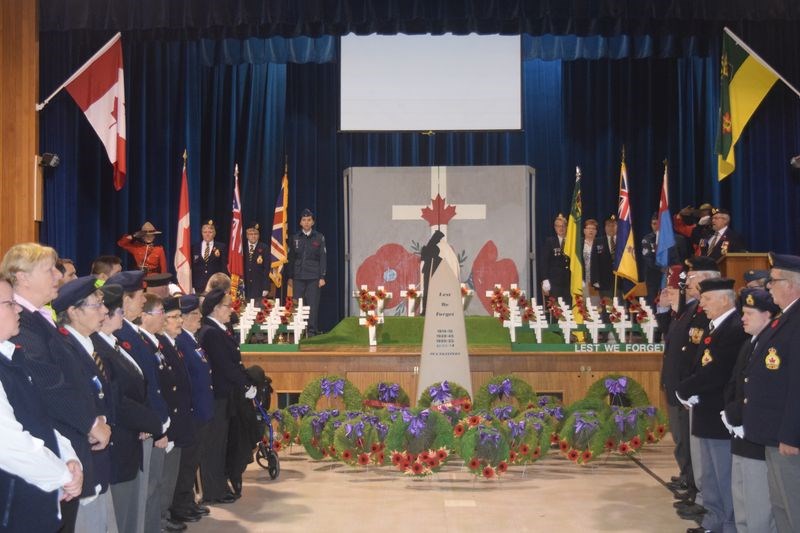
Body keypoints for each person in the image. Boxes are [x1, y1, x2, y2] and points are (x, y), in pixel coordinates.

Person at [1, 243, 110, 532]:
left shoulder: (36, 320)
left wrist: (69, 455)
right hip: (34, 473)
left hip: (57, 453)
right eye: (48, 270)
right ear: (23, 277)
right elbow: (51, 388)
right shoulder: (22, 326)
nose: (57, 276)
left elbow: (51, 398)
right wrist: (87, 425)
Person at [0, 276, 83, 533]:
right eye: (9, 303)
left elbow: (39, 420)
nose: (19, 309)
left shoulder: (12, 356)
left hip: (34, 502)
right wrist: (63, 475)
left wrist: (69, 457)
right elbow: (8, 444)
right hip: (13, 510)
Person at [677, 277, 747, 533]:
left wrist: (686, 388)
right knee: (710, 475)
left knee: (723, 475)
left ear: (725, 299)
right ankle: (713, 522)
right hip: (705, 409)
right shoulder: (714, 326)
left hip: (719, 412)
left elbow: (718, 371)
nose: (702, 303)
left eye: (707, 298)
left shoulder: (735, 328)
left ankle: (727, 526)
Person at [92, 283, 162, 533]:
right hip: (120, 440)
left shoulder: (113, 344)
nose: (124, 316)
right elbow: (117, 400)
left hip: (132, 436)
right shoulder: (99, 349)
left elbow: (140, 386)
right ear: (108, 316)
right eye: (119, 312)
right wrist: (151, 422)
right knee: (122, 514)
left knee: (133, 511)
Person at [51, 276, 114, 533]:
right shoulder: (65, 347)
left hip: (99, 457)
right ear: (73, 312)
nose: (105, 310)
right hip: (82, 456)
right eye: (96, 305)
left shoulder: (88, 344)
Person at [656, 256, 718, 520]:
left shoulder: (701, 313)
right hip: (678, 387)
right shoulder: (689, 310)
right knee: (682, 440)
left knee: (693, 446)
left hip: (688, 390)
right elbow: (671, 338)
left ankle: (694, 489)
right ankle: (690, 483)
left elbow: (693, 355)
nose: (686, 283)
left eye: (691, 278)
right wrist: (663, 308)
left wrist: (684, 387)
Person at [743, 253, 800, 532]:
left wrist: (792, 434)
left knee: (793, 504)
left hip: (787, 437)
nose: (768, 287)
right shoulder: (784, 319)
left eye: (773, 281)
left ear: (791, 285)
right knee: (780, 505)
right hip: (773, 431)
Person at [723, 288, 779, 533]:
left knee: (759, 510)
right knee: (742, 503)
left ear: (767, 314)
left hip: (757, 436)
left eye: (748, 313)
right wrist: (732, 412)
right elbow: (734, 383)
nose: (742, 318)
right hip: (739, 434)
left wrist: (742, 415)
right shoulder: (750, 344)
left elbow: (770, 393)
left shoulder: (773, 346)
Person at [196, 289, 256, 504]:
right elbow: (225, 366)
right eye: (227, 306)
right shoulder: (210, 333)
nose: (231, 310)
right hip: (218, 394)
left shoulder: (221, 329)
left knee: (222, 442)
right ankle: (213, 490)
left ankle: (219, 484)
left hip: (226, 394)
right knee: (214, 444)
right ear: (215, 309)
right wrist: (245, 384)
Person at [137, 294, 189, 532]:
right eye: (166, 315)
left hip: (170, 420)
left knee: (163, 480)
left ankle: (161, 517)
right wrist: (163, 424)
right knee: (155, 483)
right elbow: (154, 387)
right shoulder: (146, 344)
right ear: (145, 316)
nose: (179, 321)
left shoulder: (157, 343)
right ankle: (156, 521)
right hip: (160, 423)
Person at [157, 297, 198, 526]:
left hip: (181, 418)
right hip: (170, 422)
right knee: (165, 476)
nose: (179, 321)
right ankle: (163, 516)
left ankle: (167, 513)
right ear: (163, 321)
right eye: (174, 317)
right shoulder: (161, 345)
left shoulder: (172, 344)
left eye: (179, 316)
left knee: (173, 473)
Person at [171, 294, 213, 522]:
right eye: (194, 314)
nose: (199, 317)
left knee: (192, 460)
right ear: (184, 318)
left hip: (202, 410)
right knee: (186, 463)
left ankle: (188, 501)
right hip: (194, 411)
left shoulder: (192, 340)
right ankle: (182, 504)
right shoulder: (182, 342)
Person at [287, 209, 326, 336]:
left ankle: (312, 331)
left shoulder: (319, 237)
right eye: (304, 220)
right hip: (298, 276)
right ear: (300, 222)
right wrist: (290, 277)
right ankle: (299, 330)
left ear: (313, 222)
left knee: (312, 305)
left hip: (313, 277)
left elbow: (323, 258)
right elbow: (291, 258)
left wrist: (322, 276)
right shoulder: (295, 238)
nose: (306, 222)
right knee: (298, 304)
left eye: (309, 220)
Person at [540, 213, 570, 304]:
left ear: (567, 227)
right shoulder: (550, 242)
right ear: (555, 228)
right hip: (555, 282)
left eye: (563, 226)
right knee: (556, 310)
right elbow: (544, 262)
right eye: (558, 226)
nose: (561, 228)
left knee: (568, 310)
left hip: (569, 282)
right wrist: (545, 279)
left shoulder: (571, 241)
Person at [192, 220, 228, 294]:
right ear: (202, 233)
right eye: (205, 232)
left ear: (214, 233)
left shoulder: (221, 247)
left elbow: (223, 267)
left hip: (215, 286)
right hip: (199, 286)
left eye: (210, 232)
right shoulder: (194, 247)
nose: (207, 234)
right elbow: (192, 267)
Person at [243, 221, 270, 303]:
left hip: (258, 287)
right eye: (251, 234)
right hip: (244, 286)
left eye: (256, 234)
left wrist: (266, 287)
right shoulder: (241, 248)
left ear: (259, 235)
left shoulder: (264, 248)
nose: (253, 236)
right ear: (247, 235)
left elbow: (266, 269)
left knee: (258, 312)